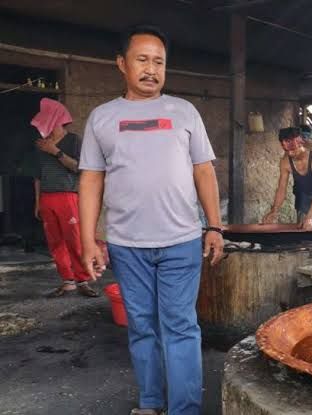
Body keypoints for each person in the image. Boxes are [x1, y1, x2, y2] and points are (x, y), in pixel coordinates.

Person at [78, 24, 224, 415]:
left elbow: (204, 171)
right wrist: (89, 239)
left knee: (179, 327)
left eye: (159, 62)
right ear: (121, 64)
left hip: (180, 241)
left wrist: (214, 226)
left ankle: (184, 409)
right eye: (142, 59)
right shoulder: (102, 118)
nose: (151, 69)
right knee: (141, 327)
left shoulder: (184, 111)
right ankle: (150, 403)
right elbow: (91, 178)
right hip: (127, 245)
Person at [30, 98, 98, 298]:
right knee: (55, 242)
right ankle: (68, 281)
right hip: (46, 198)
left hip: (68, 197)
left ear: (57, 120)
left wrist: (56, 151)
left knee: (75, 240)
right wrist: (37, 201)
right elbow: (38, 175)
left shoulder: (73, 140)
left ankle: (83, 279)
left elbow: (80, 168)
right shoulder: (40, 145)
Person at [262, 127, 312, 229]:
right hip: (306, 204)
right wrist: (274, 210)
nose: (289, 153)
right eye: (286, 150)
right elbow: (281, 188)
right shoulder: (285, 162)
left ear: (300, 143)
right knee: (306, 242)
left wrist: (309, 217)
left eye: (292, 150)